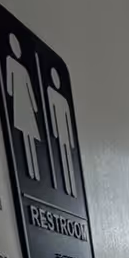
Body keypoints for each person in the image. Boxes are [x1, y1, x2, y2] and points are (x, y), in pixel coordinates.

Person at [5, 32, 41, 181]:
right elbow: (9, 87)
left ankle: (35, 173)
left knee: (29, 137)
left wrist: (34, 106)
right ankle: (32, 173)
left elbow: (12, 89)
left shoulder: (19, 67)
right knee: (26, 137)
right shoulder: (10, 63)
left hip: (23, 104)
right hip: (21, 104)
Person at [47, 67, 77, 198]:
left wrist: (71, 140)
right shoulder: (50, 94)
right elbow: (52, 115)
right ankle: (66, 187)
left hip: (65, 134)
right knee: (62, 159)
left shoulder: (64, 101)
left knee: (68, 161)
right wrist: (54, 132)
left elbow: (67, 119)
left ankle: (71, 189)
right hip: (59, 135)